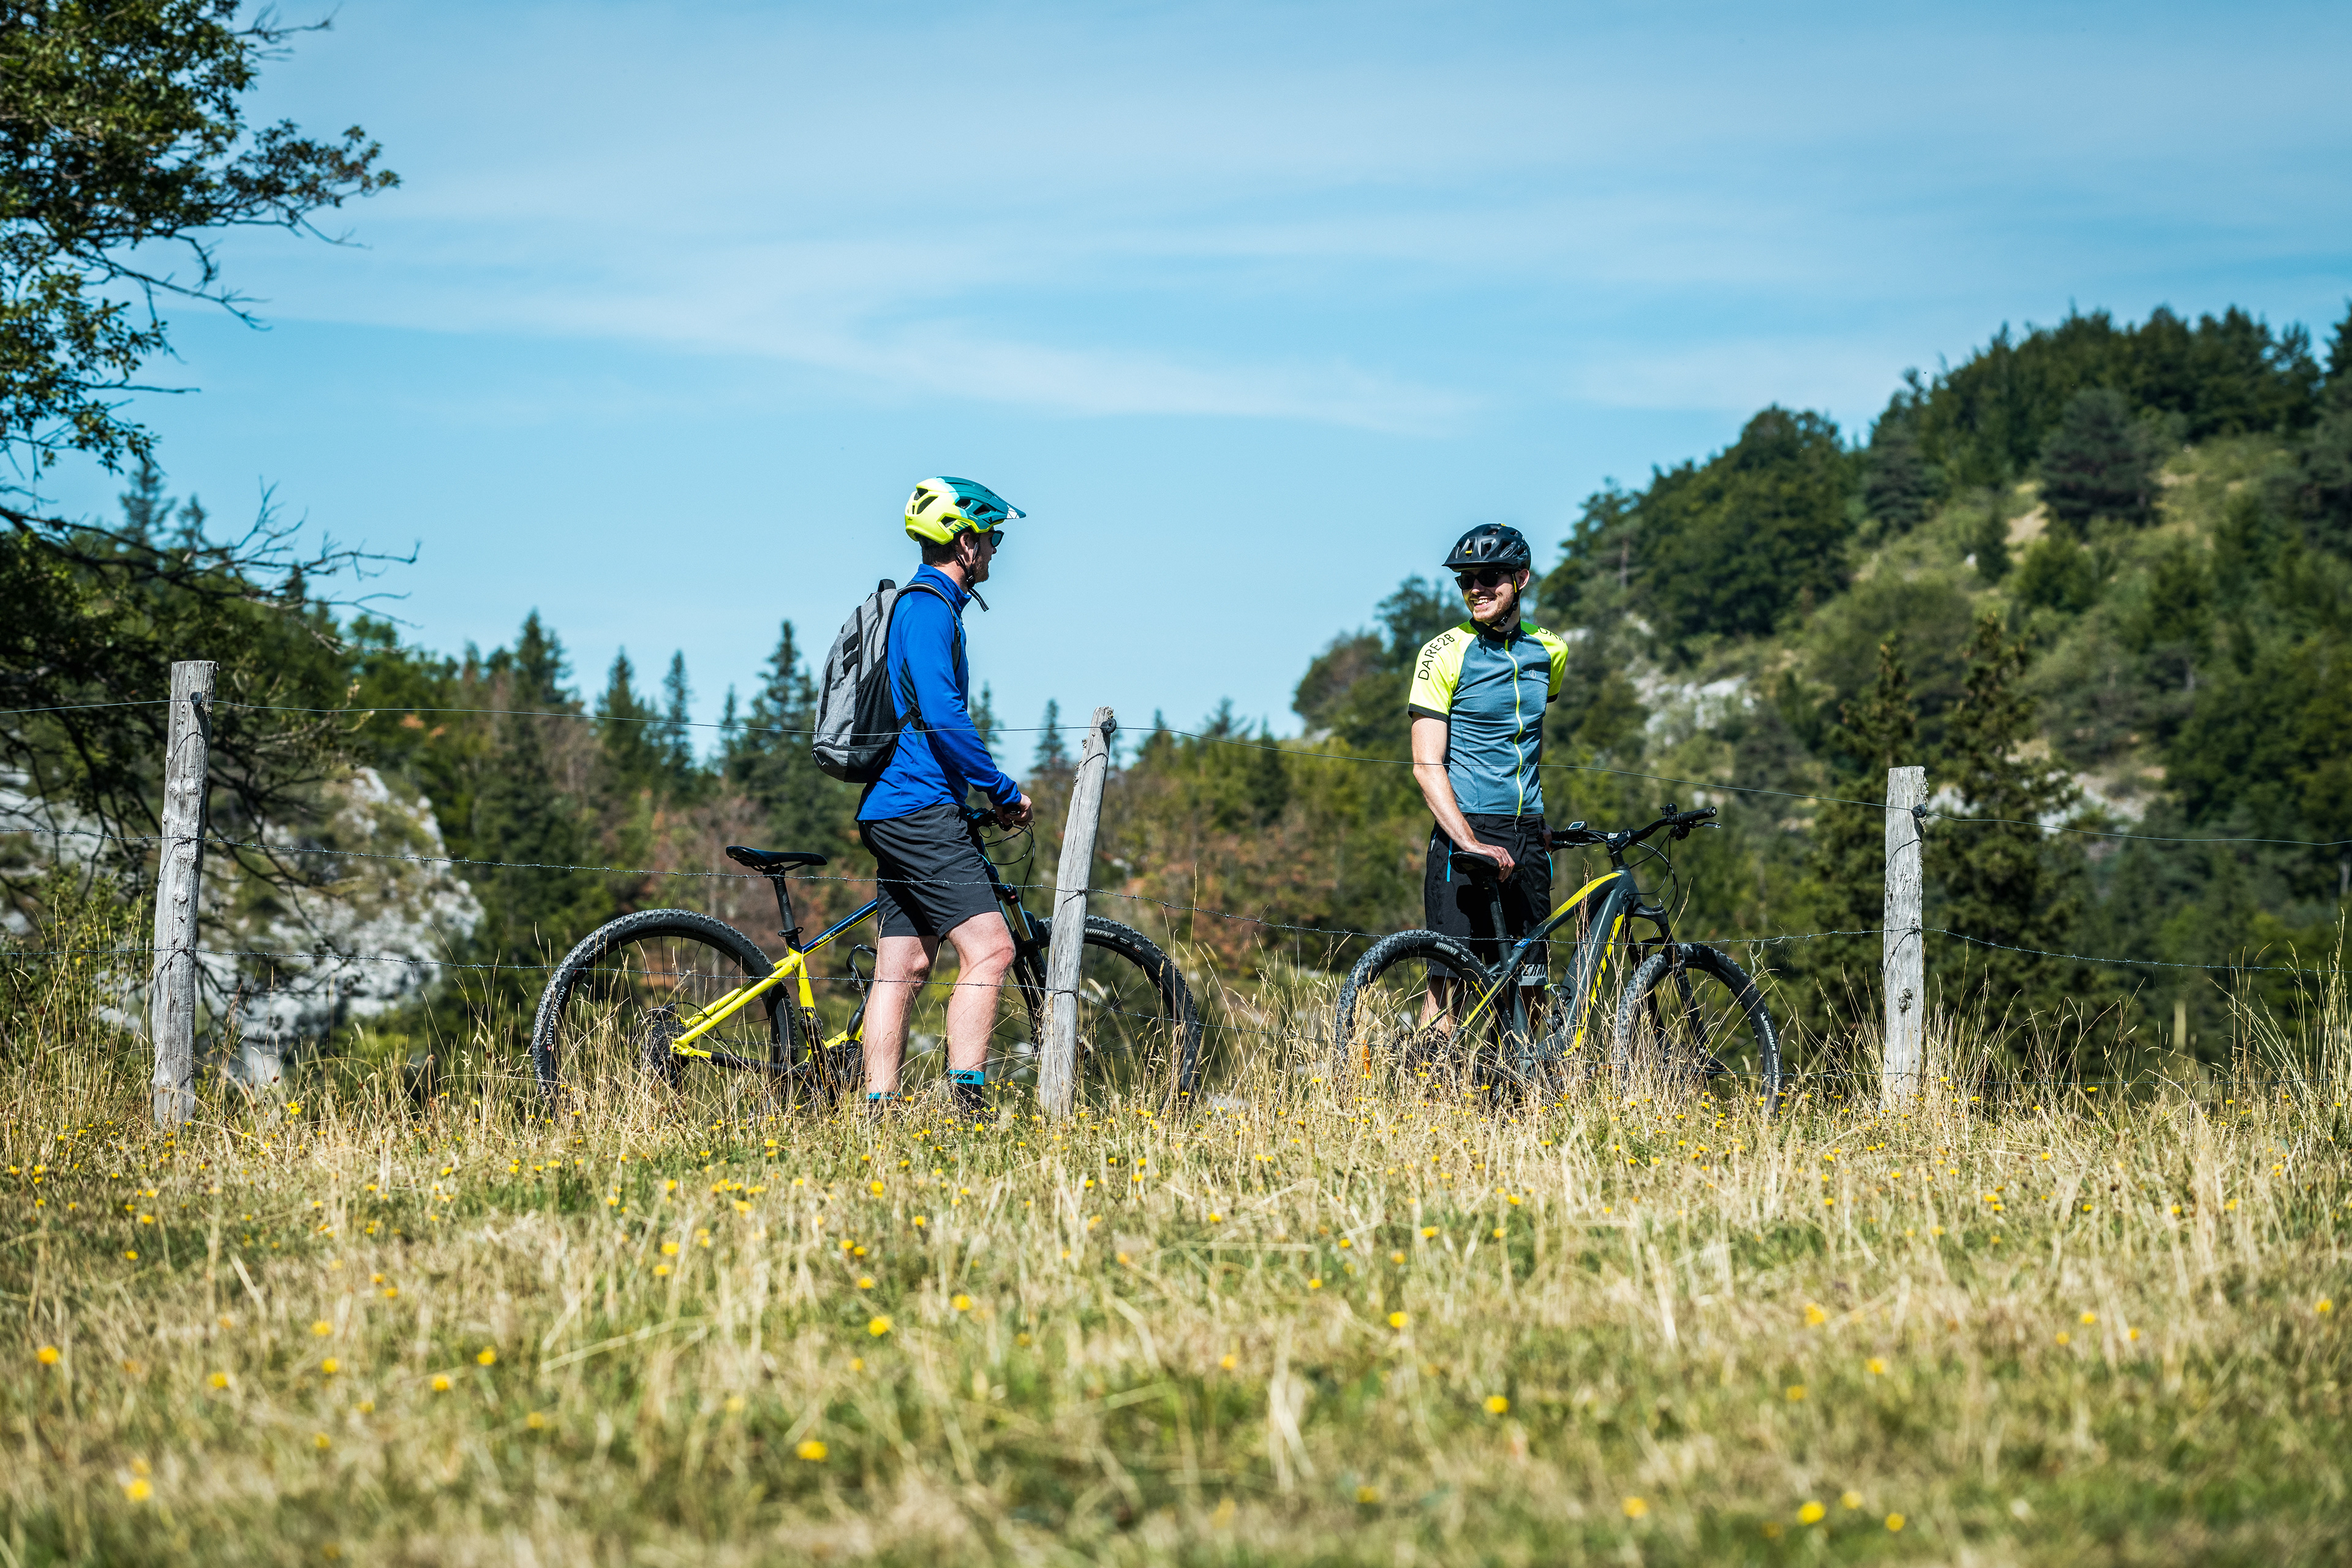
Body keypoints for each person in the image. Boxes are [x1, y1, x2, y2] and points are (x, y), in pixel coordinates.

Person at [856, 477, 1034, 1118]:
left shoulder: (922, 606)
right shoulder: (930, 609)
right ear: (965, 542)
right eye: (990, 537)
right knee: (992, 949)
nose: (994, 550)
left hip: (892, 808)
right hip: (921, 806)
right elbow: (942, 712)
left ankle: (879, 1112)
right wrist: (1000, 788)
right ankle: (969, 1111)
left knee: (901, 970)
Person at [1405, 524, 1571, 1014]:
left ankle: (1511, 1090)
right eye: (1465, 580)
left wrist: (1537, 821)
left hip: (1525, 835)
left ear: (1520, 577)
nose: (1475, 588)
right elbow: (1425, 764)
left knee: (1530, 987)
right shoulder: (1444, 652)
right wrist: (1468, 842)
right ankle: (1431, 1085)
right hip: (1467, 830)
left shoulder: (1551, 651)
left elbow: (1523, 738)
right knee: (1450, 987)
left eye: (1488, 576)